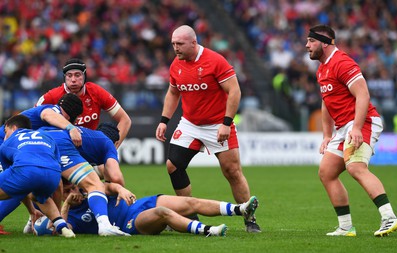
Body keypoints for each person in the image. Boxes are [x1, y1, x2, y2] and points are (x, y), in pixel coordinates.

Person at [155, 25, 260, 233]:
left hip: (217, 124)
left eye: (180, 44)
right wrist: (164, 120)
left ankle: (250, 219)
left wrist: (226, 123)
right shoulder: (176, 64)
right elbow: (173, 93)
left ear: (194, 43)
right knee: (173, 165)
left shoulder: (215, 61)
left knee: (232, 172)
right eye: (173, 44)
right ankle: (189, 216)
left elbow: (234, 91)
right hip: (190, 124)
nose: (175, 48)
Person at [306, 24, 397, 237]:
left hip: (363, 121)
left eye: (311, 41)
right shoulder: (322, 69)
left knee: (356, 167)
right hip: (342, 128)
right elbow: (326, 103)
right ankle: (346, 227)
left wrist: (356, 127)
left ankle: (389, 217)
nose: (307, 45)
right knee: (326, 173)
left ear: (325, 42)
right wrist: (327, 135)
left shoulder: (342, 62)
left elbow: (363, 94)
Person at [36, 180, 259, 237]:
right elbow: (60, 230)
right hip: (130, 223)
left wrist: (120, 189)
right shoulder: (67, 213)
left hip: (140, 203)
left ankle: (240, 209)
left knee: (188, 202)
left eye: (74, 186)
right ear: (61, 194)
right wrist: (65, 204)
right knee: (164, 214)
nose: (74, 191)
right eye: (68, 190)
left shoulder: (92, 192)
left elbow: (108, 185)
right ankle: (208, 231)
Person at [0, 93, 84, 233]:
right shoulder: (53, 111)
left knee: (22, 183)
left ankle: (52, 221)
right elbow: (47, 115)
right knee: (19, 183)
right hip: (7, 146)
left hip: (20, 152)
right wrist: (71, 128)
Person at [35, 58, 131, 149]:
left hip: (89, 149)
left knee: (106, 165)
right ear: (64, 78)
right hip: (62, 150)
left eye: (77, 75)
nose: (73, 80)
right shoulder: (52, 96)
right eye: (69, 75)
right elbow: (30, 119)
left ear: (85, 76)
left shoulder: (96, 92)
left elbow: (125, 120)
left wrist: (112, 149)